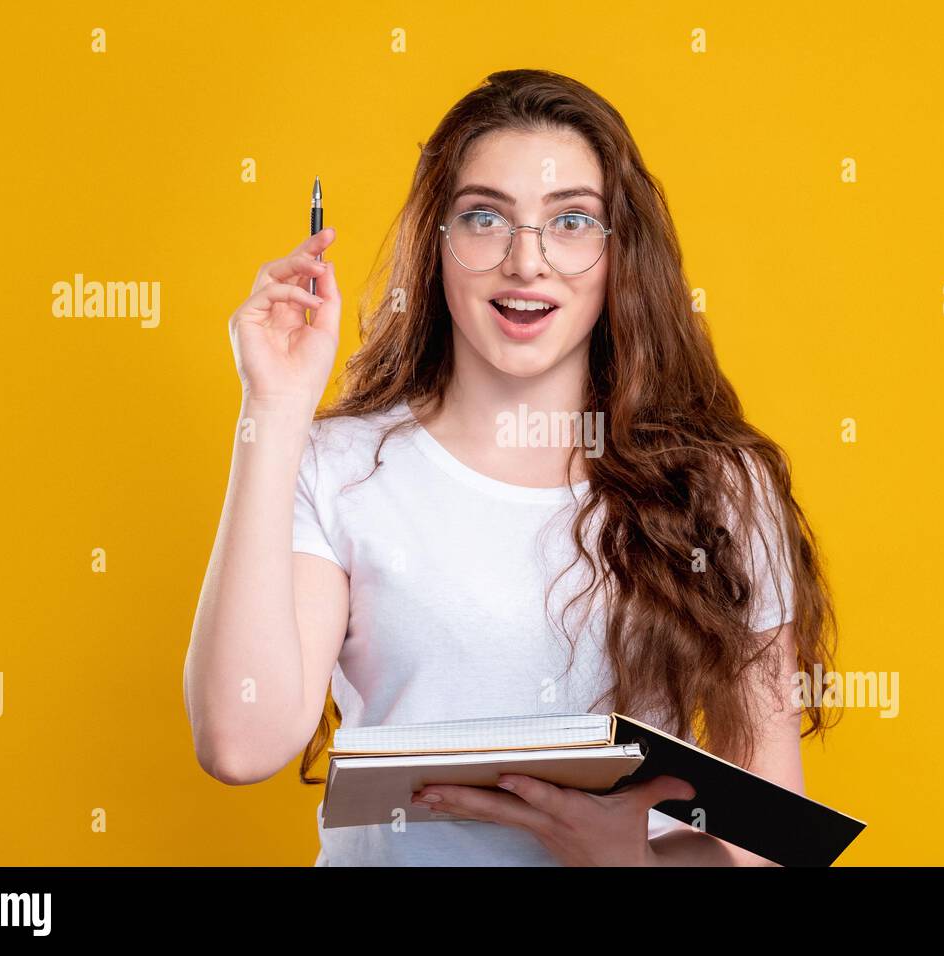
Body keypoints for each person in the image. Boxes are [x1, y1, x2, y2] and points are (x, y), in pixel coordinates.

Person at [184, 68, 838, 866]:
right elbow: (241, 742)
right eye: (485, 217)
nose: (526, 263)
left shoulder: (719, 485)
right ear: (439, 244)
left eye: (570, 221)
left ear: (617, 252)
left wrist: (629, 859)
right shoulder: (341, 465)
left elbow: (775, 843)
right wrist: (273, 408)